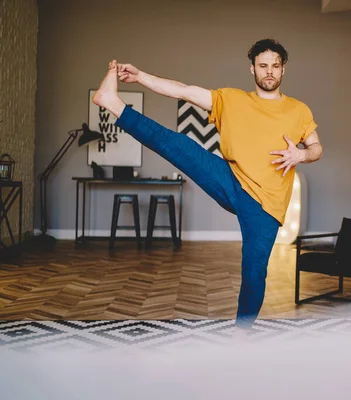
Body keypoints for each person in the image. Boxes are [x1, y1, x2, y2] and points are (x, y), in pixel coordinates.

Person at [91, 39, 322, 331]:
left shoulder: (298, 110)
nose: (269, 72)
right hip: (230, 178)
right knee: (177, 144)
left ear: (283, 69)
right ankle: (113, 103)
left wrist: (301, 153)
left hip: (266, 203)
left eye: (275, 66)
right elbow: (183, 90)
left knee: (254, 273)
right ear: (252, 69)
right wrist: (140, 77)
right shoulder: (231, 99)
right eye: (263, 65)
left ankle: (243, 332)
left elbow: (316, 148)